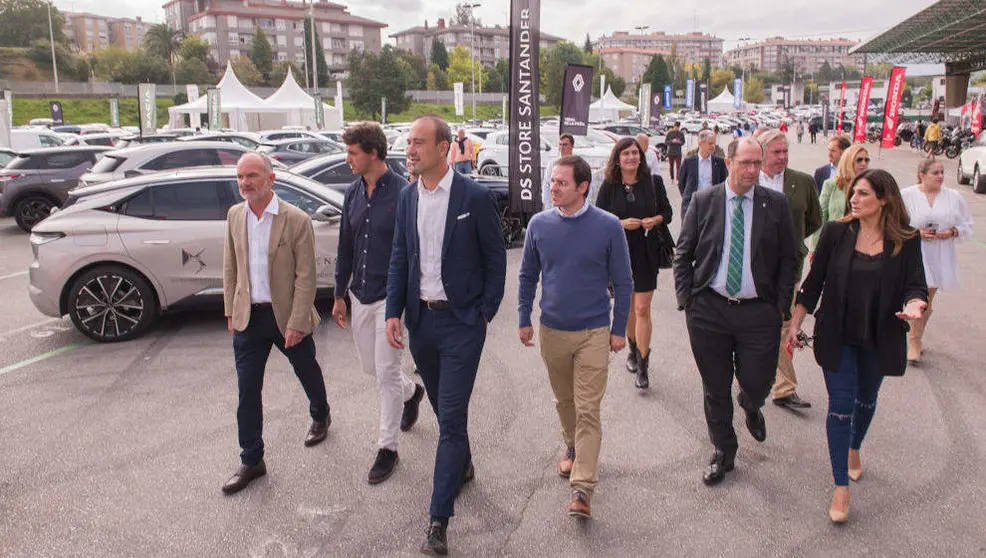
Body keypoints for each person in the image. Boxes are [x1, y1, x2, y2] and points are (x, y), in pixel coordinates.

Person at [385, 116, 507, 555]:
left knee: (451, 419)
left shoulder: (473, 196)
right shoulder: (406, 198)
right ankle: (465, 464)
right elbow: (400, 255)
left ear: (444, 149)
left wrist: (484, 314)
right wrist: (393, 311)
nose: (411, 149)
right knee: (441, 408)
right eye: (409, 142)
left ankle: (438, 518)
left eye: (419, 142)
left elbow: (496, 260)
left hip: (461, 326)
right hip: (422, 324)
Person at [786, 169, 928, 524]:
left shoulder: (906, 240)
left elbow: (916, 285)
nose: (854, 199)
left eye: (863, 194)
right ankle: (840, 488)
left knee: (866, 401)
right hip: (837, 335)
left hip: (880, 337)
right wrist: (796, 321)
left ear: (884, 199)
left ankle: (854, 448)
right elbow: (813, 283)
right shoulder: (836, 232)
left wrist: (914, 305)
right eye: (854, 192)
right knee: (841, 407)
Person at [673, 138, 798, 486]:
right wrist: (688, 300)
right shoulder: (704, 201)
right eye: (745, 163)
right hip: (709, 310)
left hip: (759, 313)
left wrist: (781, 307)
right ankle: (723, 451)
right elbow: (683, 254)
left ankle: (752, 402)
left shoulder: (775, 204)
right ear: (728, 163)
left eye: (757, 164)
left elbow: (790, 259)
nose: (752, 170)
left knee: (757, 382)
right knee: (715, 387)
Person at [518, 155, 633, 519]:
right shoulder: (538, 224)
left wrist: (618, 329)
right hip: (552, 330)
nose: (553, 188)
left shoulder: (608, 226)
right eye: (552, 182)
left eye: (562, 183)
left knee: (588, 409)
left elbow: (625, 282)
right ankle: (571, 445)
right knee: (564, 402)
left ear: (583, 187)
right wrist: (523, 317)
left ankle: (582, 487)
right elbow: (526, 276)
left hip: (594, 333)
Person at [221, 153, 330, 495]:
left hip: (285, 317)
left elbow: (305, 276)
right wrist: (230, 312)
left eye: (252, 175)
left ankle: (320, 413)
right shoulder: (235, 215)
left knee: (307, 370)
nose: (245, 182)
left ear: (271, 179)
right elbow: (230, 267)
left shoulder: (295, 220)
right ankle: (252, 459)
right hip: (248, 318)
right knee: (247, 392)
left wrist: (297, 321)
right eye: (240, 176)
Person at [331, 122, 425, 485]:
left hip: (391, 297)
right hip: (360, 294)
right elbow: (345, 245)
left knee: (385, 373)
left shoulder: (405, 193)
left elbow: (413, 253)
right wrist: (340, 293)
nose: (348, 159)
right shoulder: (352, 193)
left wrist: (404, 304)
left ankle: (388, 448)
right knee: (372, 368)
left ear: (372, 153)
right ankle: (412, 391)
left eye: (353, 153)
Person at [596, 137, 673, 389]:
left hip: (646, 250)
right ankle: (632, 347)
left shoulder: (654, 182)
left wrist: (656, 219)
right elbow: (598, 220)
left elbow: (668, 213)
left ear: (641, 157)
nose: (631, 157)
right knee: (628, 308)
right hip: (619, 253)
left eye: (635, 153)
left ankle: (643, 363)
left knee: (642, 309)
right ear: (617, 159)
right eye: (626, 153)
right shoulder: (609, 186)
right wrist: (620, 223)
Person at [758, 130, 822, 410]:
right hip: (753, 266)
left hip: (788, 267)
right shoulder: (748, 178)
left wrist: (793, 244)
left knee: (785, 324)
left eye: (785, 152)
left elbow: (813, 221)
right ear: (762, 154)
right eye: (776, 152)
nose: (783, 157)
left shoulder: (802, 182)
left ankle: (784, 387)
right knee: (755, 324)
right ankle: (755, 376)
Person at [900, 160, 973, 363]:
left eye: (942, 172)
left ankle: (915, 340)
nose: (940, 176)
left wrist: (952, 231)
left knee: (927, 299)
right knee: (915, 297)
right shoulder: (907, 195)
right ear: (922, 175)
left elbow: (966, 223)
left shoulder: (953, 197)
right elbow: (895, 221)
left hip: (939, 254)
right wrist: (916, 233)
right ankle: (913, 337)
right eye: (935, 173)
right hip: (914, 252)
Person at [809, 144, 870, 250]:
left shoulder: (872, 187)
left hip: (862, 243)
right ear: (848, 161)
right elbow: (820, 217)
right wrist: (814, 248)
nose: (863, 164)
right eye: (859, 160)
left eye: (866, 160)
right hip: (836, 243)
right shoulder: (831, 185)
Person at [678, 129, 728, 218]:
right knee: (690, 231)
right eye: (710, 143)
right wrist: (688, 196)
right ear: (700, 143)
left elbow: (723, 182)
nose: (713, 146)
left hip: (713, 206)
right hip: (691, 205)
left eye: (714, 143)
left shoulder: (719, 162)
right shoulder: (688, 162)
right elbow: (682, 184)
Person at [542, 133, 576, 209]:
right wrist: (548, 206)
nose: (562, 148)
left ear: (572, 146)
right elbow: (546, 185)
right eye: (560, 145)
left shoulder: (578, 164)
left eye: (565, 145)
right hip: (556, 207)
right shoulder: (552, 164)